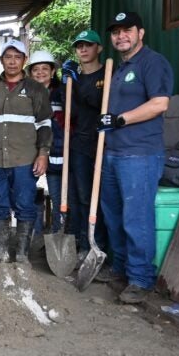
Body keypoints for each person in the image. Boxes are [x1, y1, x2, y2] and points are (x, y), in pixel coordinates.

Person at [96, 11, 173, 304]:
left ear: (141, 33)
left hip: (139, 154)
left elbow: (159, 104)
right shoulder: (117, 68)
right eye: (116, 32)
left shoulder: (153, 63)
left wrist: (119, 120)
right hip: (112, 154)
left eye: (127, 30)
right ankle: (121, 268)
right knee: (113, 215)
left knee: (135, 217)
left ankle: (141, 278)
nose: (121, 36)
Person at [0, 39, 52, 264]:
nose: (12, 61)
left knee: (25, 204)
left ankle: (22, 255)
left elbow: (45, 123)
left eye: (17, 57)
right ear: (1, 60)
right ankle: (2, 252)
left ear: (24, 61)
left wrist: (43, 153)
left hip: (24, 158)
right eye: (8, 57)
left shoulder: (35, 89)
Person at [64, 29, 109, 263]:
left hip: (102, 144)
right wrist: (67, 85)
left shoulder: (108, 74)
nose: (83, 49)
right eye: (79, 46)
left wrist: (77, 86)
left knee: (101, 198)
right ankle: (84, 244)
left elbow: (100, 103)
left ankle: (100, 244)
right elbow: (69, 111)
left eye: (88, 45)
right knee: (81, 197)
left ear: (98, 49)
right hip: (80, 144)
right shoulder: (75, 79)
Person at [27, 50, 64, 235]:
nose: (40, 72)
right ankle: (35, 235)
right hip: (29, 152)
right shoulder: (25, 93)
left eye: (44, 68)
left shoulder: (61, 93)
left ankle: (57, 234)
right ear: (30, 72)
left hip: (57, 154)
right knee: (29, 196)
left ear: (52, 71)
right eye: (36, 69)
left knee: (58, 198)